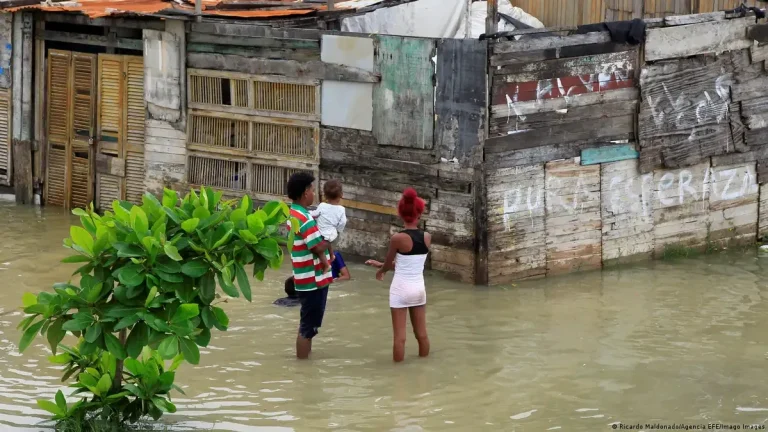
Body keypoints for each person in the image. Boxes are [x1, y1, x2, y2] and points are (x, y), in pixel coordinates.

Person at [365, 188, 431, 363]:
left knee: (400, 338)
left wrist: (381, 269)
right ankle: (424, 366)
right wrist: (381, 266)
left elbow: (390, 264)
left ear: (401, 214)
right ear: (419, 213)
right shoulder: (427, 237)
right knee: (422, 335)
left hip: (400, 290)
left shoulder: (397, 238)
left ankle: (398, 376)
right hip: (419, 290)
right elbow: (410, 265)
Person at [286, 171, 333, 360]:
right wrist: (332, 236)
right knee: (308, 326)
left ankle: (305, 364)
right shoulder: (304, 218)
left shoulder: (294, 214)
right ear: (305, 192)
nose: (314, 193)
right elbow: (317, 246)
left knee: (309, 324)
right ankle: (303, 366)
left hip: (304, 276)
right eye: (312, 190)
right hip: (312, 279)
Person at [310, 180, 347, 273]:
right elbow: (343, 222)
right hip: (332, 234)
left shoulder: (322, 206)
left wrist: (307, 213)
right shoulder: (341, 209)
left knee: (318, 250)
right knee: (328, 242)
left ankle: (326, 265)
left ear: (325, 196)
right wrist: (338, 230)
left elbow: (315, 214)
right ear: (341, 195)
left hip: (321, 233)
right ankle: (332, 255)